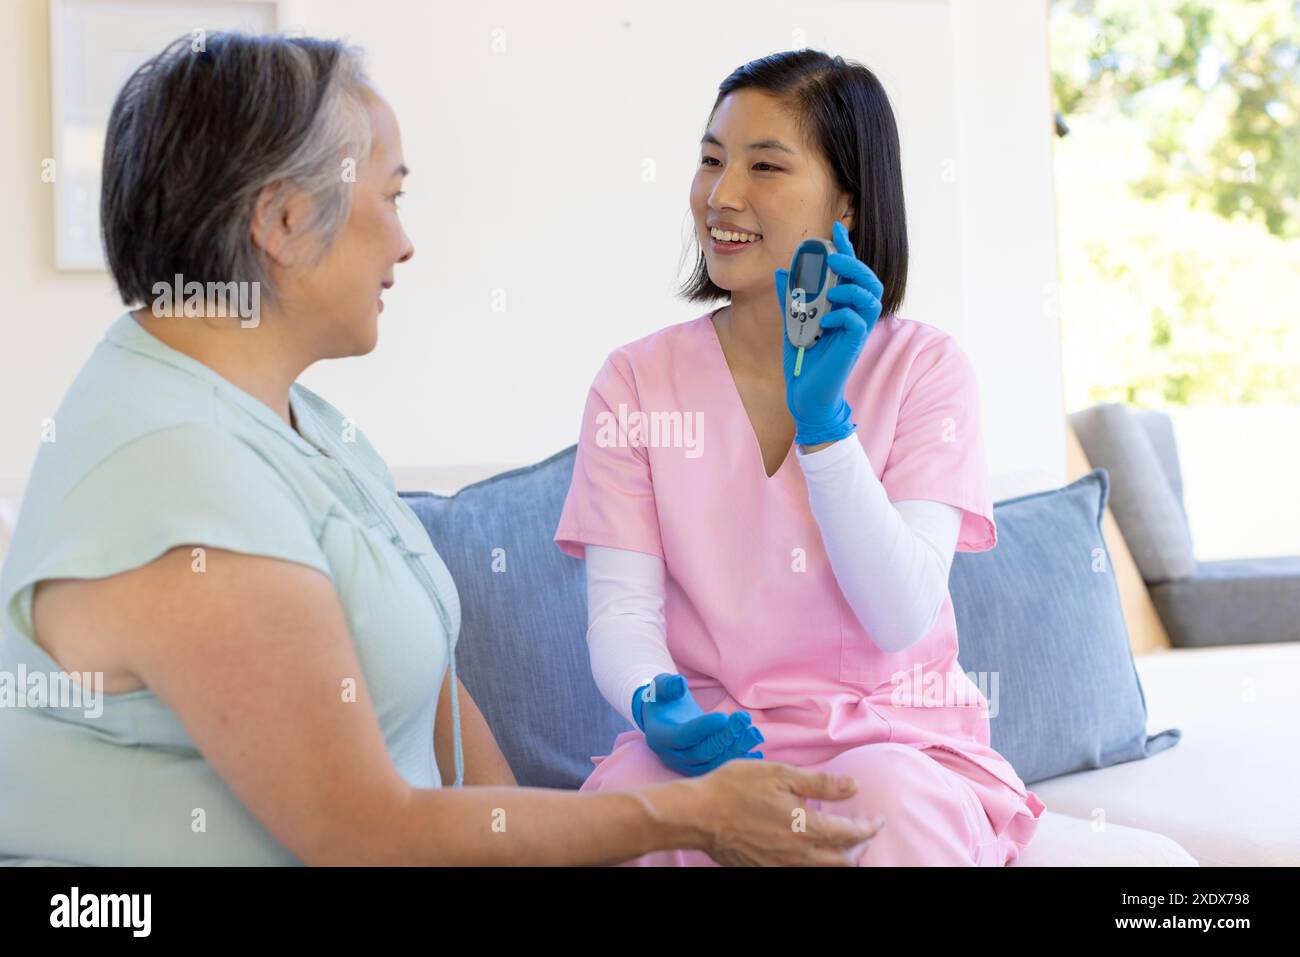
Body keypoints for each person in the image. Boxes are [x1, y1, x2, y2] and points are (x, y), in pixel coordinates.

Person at [0, 33, 882, 866]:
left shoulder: (301, 425)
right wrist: (693, 814)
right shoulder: (176, 470)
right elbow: (365, 834)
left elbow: (441, 718)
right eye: (390, 197)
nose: (405, 240)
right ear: (282, 218)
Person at [555, 50, 1046, 866]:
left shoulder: (924, 369)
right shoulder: (635, 381)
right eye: (711, 160)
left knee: (887, 800)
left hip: (894, 740)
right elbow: (622, 614)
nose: (721, 195)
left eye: (765, 166)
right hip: (717, 742)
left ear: (846, 202)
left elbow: (900, 615)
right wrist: (654, 701)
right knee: (630, 806)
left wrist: (824, 428)